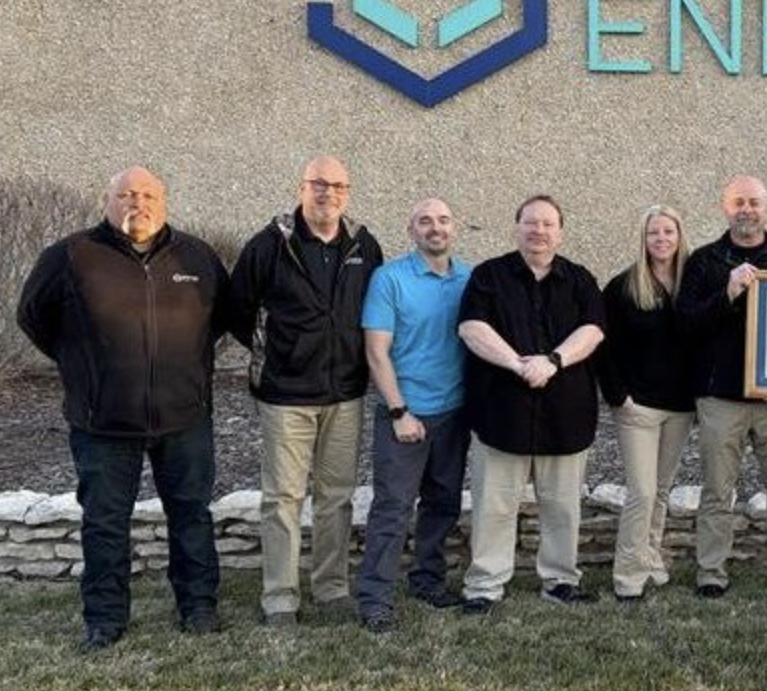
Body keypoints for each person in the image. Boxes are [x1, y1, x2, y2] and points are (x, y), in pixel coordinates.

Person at [17, 167, 229, 651]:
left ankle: (198, 606)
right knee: (105, 523)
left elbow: (219, 319)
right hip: (103, 423)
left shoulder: (197, 256)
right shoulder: (71, 256)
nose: (139, 203)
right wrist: (83, 361)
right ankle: (105, 618)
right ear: (107, 201)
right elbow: (33, 317)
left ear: (164, 201)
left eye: (149, 195)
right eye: (127, 194)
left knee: (191, 515)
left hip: (184, 418)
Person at [230, 156, 383, 626]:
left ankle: (331, 588)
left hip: (345, 393)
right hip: (286, 395)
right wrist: (283, 351)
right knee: (283, 497)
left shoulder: (364, 246)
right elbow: (237, 310)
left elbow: (373, 308)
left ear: (347, 193)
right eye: (319, 183)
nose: (327, 193)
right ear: (302, 188)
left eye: (337, 185)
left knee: (336, 496)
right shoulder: (269, 245)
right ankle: (280, 596)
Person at [458, 195, 605, 612]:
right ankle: (485, 586)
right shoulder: (489, 276)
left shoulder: (580, 279)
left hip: (565, 416)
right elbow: (471, 328)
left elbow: (594, 330)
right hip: (500, 413)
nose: (539, 231)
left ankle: (560, 581)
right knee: (494, 507)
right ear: (516, 227)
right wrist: (519, 364)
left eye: (547, 224)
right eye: (530, 223)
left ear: (560, 232)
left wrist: (552, 361)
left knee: (562, 509)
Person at [676, 175, 767, 597]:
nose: (746, 210)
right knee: (718, 491)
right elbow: (686, 324)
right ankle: (711, 572)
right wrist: (728, 291)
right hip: (720, 396)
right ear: (725, 207)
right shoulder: (704, 261)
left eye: (754, 202)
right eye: (738, 202)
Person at [354, 198, 474, 633]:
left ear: (454, 228)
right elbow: (376, 351)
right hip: (404, 413)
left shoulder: (469, 279)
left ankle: (427, 580)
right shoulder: (389, 279)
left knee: (442, 504)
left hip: (454, 413)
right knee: (393, 508)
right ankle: (375, 599)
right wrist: (399, 410)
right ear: (411, 230)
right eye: (425, 221)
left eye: (443, 220)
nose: (435, 228)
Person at [599, 205, 696, 602]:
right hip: (638, 407)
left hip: (681, 406)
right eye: (654, 232)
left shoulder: (692, 283)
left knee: (661, 489)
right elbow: (601, 345)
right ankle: (628, 575)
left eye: (668, 232)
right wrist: (618, 396)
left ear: (679, 236)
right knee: (641, 491)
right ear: (643, 238)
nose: (661, 239)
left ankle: (650, 555)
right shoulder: (623, 286)